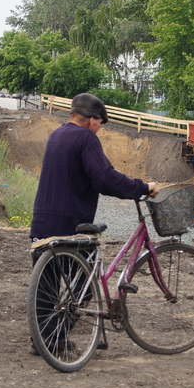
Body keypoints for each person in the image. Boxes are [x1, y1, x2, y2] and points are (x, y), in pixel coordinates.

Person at [29, 93, 159, 353]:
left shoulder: (57, 135)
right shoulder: (85, 137)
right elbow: (104, 178)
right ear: (91, 120)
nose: (100, 128)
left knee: (47, 284)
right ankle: (56, 337)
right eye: (100, 123)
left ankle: (42, 342)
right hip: (71, 223)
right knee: (83, 283)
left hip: (43, 220)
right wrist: (142, 187)